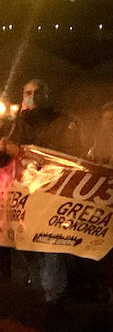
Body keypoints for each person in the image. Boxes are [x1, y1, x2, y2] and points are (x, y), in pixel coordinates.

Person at [0, 79, 82, 302]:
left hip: (50, 200)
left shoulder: (61, 122)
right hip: (22, 201)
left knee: (50, 252)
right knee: (24, 254)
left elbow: (65, 156)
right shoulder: (16, 124)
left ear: (47, 95)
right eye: (28, 92)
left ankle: (52, 304)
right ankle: (28, 304)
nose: (32, 97)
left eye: (37, 92)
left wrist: (20, 151)